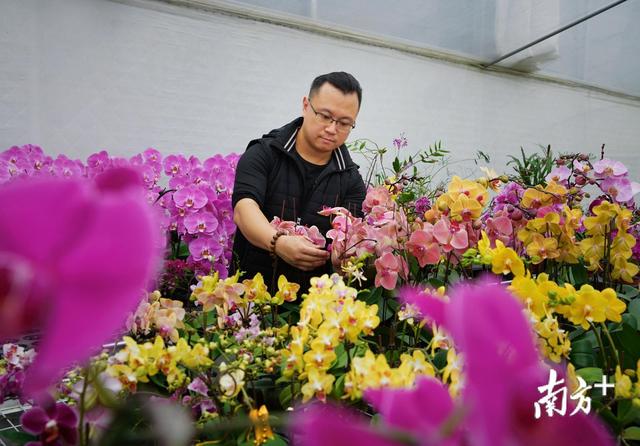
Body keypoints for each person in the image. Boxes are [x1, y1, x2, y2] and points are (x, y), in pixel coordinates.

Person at [231, 71, 366, 292]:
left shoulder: (350, 179)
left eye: (344, 123)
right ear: (306, 105)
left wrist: (345, 258)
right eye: (324, 116)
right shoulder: (264, 154)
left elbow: (351, 240)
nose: (332, 129)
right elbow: (244, 210)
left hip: (309, 311)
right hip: (250, 300)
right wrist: (278, 243)